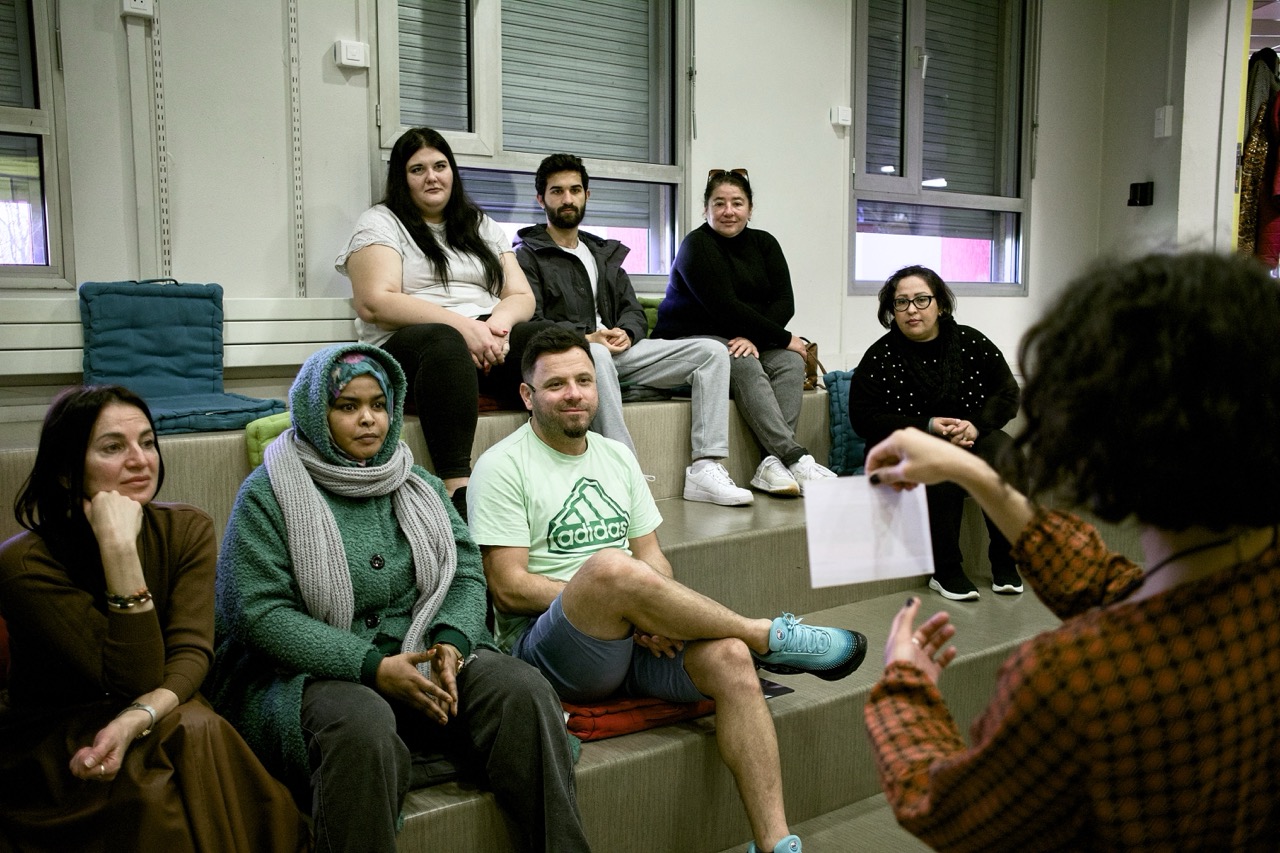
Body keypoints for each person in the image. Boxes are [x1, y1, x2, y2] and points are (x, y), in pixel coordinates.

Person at [862, 251, 1280, 851]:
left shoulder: (1074, 681)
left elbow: (947, 809)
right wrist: (979, 477)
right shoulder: (1251, 580)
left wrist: (904, 684)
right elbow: (1117, 589)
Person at [467, 327, 868, 853]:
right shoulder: (501, 465)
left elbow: (653, 557)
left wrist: (647, 613)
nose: (574, 394)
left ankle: (775, 843)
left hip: (631, 635)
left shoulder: (615, 455)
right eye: (556, 384)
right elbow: (509, 587)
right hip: (552, 650)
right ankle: (765, 634)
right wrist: (622, 601)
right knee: (611, 567)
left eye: (584, 380)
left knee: (727, 658)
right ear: (527, 396)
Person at [208, 343, 589, 853]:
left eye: (378, 405)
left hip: (426, 649)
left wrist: (450, 643)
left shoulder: (418, 484)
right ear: (314, 414)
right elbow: (259, 615)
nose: (368, 420)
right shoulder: (268, 493)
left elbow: (465, 572)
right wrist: (371, 666)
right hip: (308, 672)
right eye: (347, 406)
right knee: (359, 724)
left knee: (522, 689)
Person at [0, 386, 306, 852]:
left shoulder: (187, 529)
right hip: (63, 734)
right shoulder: (22, 564)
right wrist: (119, 550)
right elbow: (128, 677)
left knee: (194, 729)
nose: (141, 460)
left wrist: (138, 718)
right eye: (112, 448)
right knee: (178, 750)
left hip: (165, 705)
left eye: (147, 442)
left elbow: (191, 654)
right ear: (65, 472)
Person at [337, 126, 552, 517]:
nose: (432, 176)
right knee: (444, 341)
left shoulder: (479, 224)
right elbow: (374, 303)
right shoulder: (381, 222)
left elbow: (521, 296)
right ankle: (458, 490)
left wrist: (495, 329)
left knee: (549, 339)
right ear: (402, 179)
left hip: (485, 337)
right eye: (418, 169)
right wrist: (463, 327)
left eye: (440, 165)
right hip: (412, 344)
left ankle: (556, 464)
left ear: (453, 171)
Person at [515, 153, 753, 506]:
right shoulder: (527, 255)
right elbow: (529, 321)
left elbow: (633, 310)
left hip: (619, 353)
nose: (568, 199)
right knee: (592, 353)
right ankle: (622, 467)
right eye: (557, 191)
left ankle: (706, 466)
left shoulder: (602, 252)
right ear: (541, 199)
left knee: (712, 351)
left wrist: (627, 331)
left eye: (575, 190)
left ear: (587, 195)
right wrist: (584, 338)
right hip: (572, 357)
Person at [651, 169, 836, 497]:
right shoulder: (696, 245)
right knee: (742, 358)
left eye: (737, 203)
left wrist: (760, 338)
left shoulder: (765, 244)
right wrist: (778, 337)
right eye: (718, 203)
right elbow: (724, 307)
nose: (728, 211)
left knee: (791, 363)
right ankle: (793, 455)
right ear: (705, 209)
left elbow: (784, 302)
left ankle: (770, 465)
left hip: (741, 337)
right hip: (691, 340)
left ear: (750, 209)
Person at [848, 265, 1023, 601]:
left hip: (968, 433)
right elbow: (864, 417)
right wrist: (928, 426)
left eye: (921, 300)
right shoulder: (880, 356)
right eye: (901, 303)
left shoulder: (971, 341)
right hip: (905, 443)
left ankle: (1005, 560)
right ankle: (945, 570)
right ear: (891, 311)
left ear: (940, 305)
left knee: (1007, 455)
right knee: (941, 465)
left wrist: (974, 424)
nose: (911, 309)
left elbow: (1007, 392)